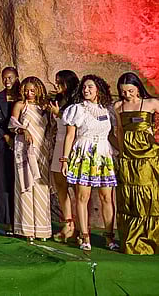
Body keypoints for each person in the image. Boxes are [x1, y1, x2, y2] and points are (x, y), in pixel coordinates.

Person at [61, 74, 119, 252]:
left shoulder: (107, 110)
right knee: (82, 197)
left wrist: (123, 152)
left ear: (98, 89)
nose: (86, 90)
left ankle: (109, 237)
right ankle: (84, 236)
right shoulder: (77, 109)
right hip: (84, 153)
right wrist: (65, 159)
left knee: (107, 197)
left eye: (90, 87)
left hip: (103, 154)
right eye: (84, 87)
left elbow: (111, 136)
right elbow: (70, 135)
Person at [114, 72, 159, 255]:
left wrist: (155, 133)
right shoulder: (118, 106)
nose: (128, 95)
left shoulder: (152, 103)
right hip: (127, 157)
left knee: (149, 195)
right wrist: (120, 151)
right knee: (129, 198)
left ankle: (151, 241)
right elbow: (118, 130)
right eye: (124, 92)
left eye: (131, 91)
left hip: (148, 155)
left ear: (138, 88)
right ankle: (132, 242)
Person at [10, 77, 53, 243]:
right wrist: (23, 130)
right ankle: (26, 228)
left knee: (41, 187)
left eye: (32, 91)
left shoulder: (44, 107)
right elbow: (13, 123)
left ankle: (42, 229)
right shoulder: (20, 105)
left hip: (42, 149)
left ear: (39, 90)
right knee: (25, 185)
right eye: (26, 90)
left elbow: (51, 125)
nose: (29, 93)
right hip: (25, 149)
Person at [47, 70, 79, 243]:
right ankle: (68, 222)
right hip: (59, 143)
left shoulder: (78, 102)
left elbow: (75, 126)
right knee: (60, 184)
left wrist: (59, 114)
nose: (57, 85)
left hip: (73, 146)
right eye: (56, 82)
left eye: (60, 82)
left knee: (77, 187)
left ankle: (81, 226)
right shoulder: (58, 100)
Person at [0, 66, 20, 234]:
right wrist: (5, 136)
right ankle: (7, 220)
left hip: (22, 144)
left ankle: (21, 219)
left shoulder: (22, 97)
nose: (7, 81)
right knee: (5, 180)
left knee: (20, 181)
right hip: (3, 144)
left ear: (16, 78)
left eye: (10, 77)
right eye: (4, 78)